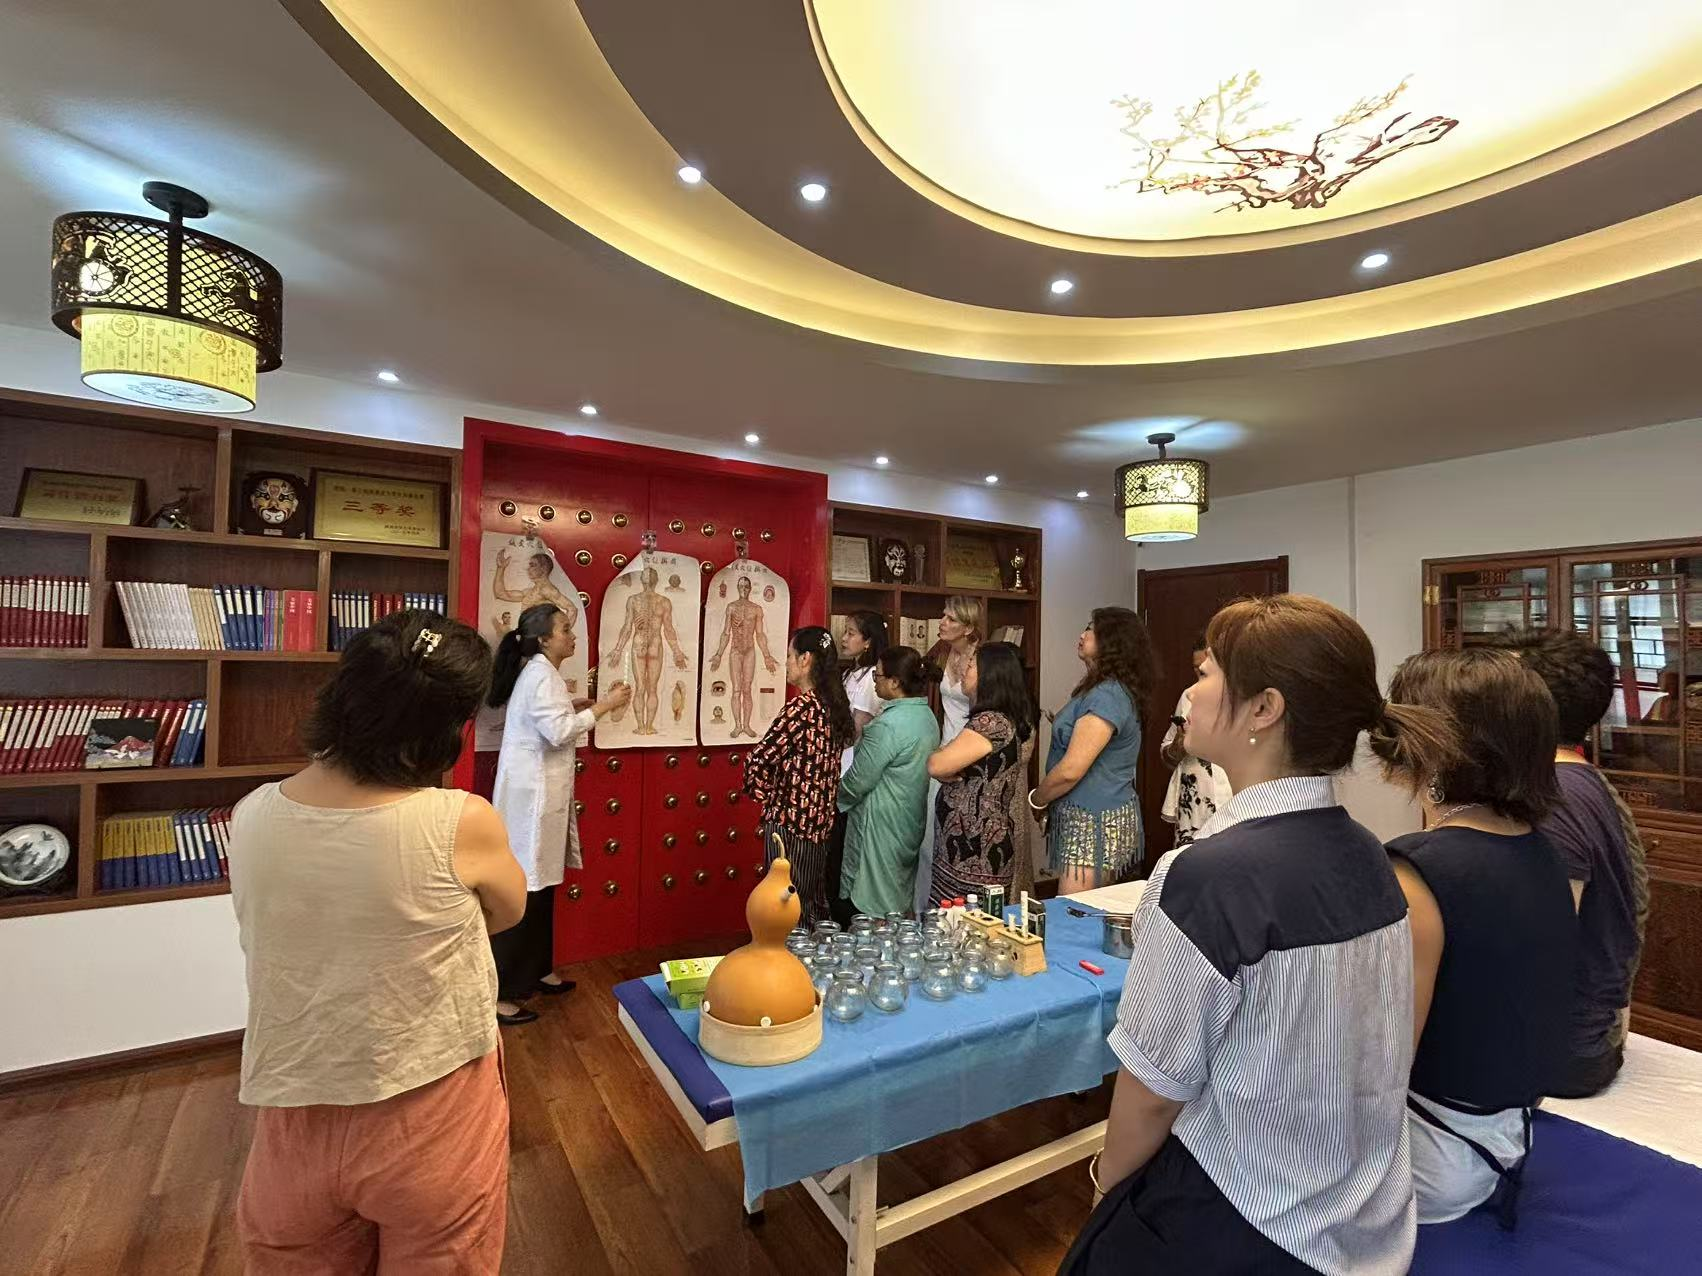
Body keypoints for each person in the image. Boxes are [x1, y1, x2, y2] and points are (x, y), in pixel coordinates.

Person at [1064, 595, 1458, 1276]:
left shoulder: (1207, 876)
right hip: (1361, 1222)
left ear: (1263, 709)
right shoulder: (1372, 855)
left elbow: (1152, 1094)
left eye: (1206, 673)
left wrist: (1107, 1199)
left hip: (1245, 1219)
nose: (1190, 690)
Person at [228, 610, 525, 1274]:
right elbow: (507, 912)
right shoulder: (458, 821)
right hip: (430, 1108)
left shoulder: (252, 815)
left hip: (295, 1110)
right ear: (444, 729)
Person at [1376, 648, 1575, 1225]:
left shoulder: (1418, 872)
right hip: (1508, 1135)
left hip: (1431, 1156)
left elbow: (1385, 1060)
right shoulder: (1540, 850)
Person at [1496, 628, 1650, 1097]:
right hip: (1583, 1037)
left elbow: (1541, 957)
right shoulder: (1582, 780)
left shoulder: (1552, 799)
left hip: (1561, 1052)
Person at [487, 603, 631, 1026]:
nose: (572, 636)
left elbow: (552, 718)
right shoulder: (539, 675)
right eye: (565, 629)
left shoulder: (542, 675)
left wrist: (575, 704)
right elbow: (558, 731)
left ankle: (538, 970)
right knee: (527, 891)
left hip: (541, 796)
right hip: (531, 801)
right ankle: (503, 991)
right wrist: (604, 705)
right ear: (544, 639)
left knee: (543, 887)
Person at [1031, 607, 1155, 892]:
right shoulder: (1099, 689)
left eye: (1091, 629)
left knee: (1075, 910)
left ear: (1112, 641)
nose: (1082, 634)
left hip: (1094, 821)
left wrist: (1037, 799)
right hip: (1090, 816)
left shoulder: (1107, 694)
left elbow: (1071, 770)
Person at [744, 626, 855, 926]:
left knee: (784, 905)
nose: (786, 662)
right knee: (809, 901)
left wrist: (769, 798)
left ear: (805, 659)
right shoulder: (832, 705)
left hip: (791, 823)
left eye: (790, 655)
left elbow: (759, 760)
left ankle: (789, 955)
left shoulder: (802, 707)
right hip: (819, 823)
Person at [926, 641, 1035, 906]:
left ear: (990, 674)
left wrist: (943, 763)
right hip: (962, 850)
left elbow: (936, 764)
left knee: (969, 924)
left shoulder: (991, 722)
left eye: (972, 664)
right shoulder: (990, 719)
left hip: (976, 850)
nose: (965, 669)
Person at [837, 646, 941, 917]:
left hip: (881, 824)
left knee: (874, 902)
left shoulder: (886, 726)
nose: (875, 682)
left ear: (895, 682)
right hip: (910, 817)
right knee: (898, 895)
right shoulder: (927, 716)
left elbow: (858, 781)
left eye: (878, 676)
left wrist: (831, 800)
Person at [916, 596, 981, 911]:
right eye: (943, 615)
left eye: (951, 619)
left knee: (959, 837)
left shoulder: (981, 660)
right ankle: (925, 912)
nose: (942, 622)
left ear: (968, 628)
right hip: (944, 749)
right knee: (929, 837)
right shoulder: (941, 653)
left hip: (970, 754)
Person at [1159, 633, 1232, 846]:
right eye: (1196, 670)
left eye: (1205, 671)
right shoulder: (1189, 696)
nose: (1199, 677)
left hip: (1232, 802)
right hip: (1193, 808)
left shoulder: (1245, 701)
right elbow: (1167, 753)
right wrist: (1179, 746)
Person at [606, 564, 689, 736]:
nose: (648, 576)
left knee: (643, 688)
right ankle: (647, 727)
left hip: (641, 644)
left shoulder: (636, 600)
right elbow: (665, 629)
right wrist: (617, 649)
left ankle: (643, 726)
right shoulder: (660, 601)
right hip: (654, 645)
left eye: (649, 574)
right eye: (647, 574)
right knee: (649, 689)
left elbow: (630, 627)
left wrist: (677, 651)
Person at [708, 573, 779, 739]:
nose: (744, 589)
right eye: (741, 586)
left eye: (746, 587)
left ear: (750, 589)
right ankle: (737, 725)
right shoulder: (731, 607)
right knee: (736, 690)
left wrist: (767, 656)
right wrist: (718, 654)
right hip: (735, 650)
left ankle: (746, 726)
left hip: (749, 651)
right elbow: (726, 633)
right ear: (737, 588)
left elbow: (760, 634)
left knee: (747, 690)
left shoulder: (756, 609)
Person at [839, 610, 890, 754]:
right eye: (845, 632)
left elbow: (858, 729)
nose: (843, 638)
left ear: (868, 641)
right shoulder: (849, 673)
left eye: (851, 633)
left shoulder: (872, 677)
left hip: (857, 754)